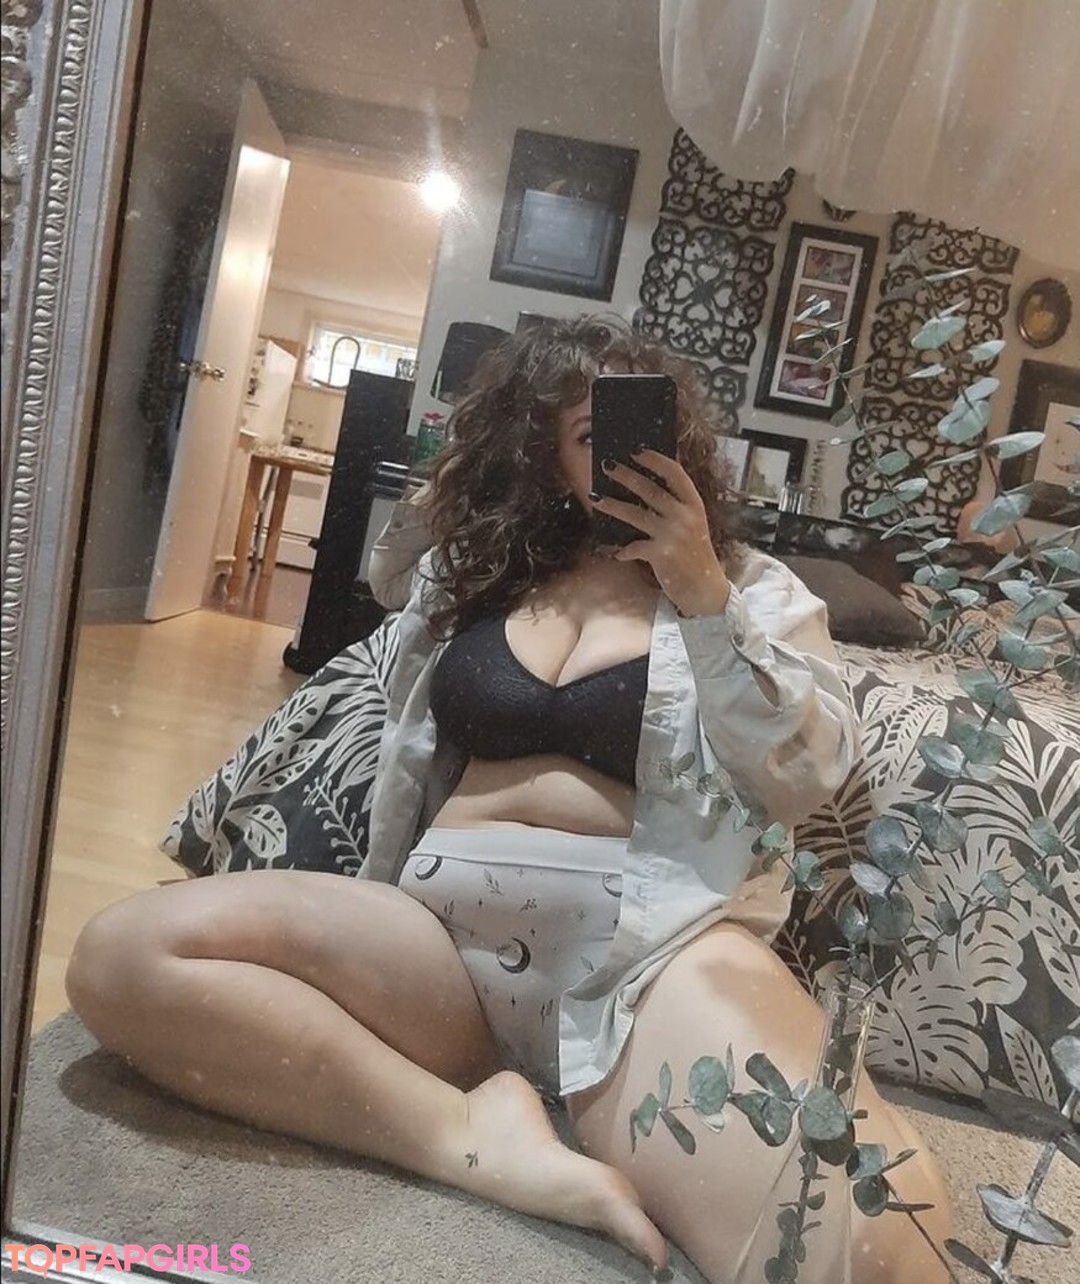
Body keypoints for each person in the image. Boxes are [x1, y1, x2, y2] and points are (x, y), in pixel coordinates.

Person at [66, 317, 951, 1282]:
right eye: (581, 426)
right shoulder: (489, 572)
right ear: (538, 447)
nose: (616, 444)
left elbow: (804, 776)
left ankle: (574, 1112)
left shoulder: (753, 592)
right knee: (125, 953)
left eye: (636, 420)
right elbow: (389, 573)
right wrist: (459, 480)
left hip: (643, 968)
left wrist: (700, 590)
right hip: (433, 953)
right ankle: (467, 1136)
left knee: (876, 1238)